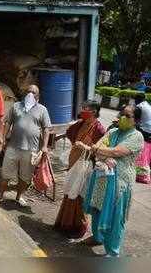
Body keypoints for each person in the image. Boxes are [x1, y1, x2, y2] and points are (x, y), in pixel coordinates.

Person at [79, 105, 143, 257]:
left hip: (119, 183)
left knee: (115, 216)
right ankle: (97, 237)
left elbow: (117, 151)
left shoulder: (136, 136)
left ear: (136, 120)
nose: (122, 117)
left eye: (128, 116)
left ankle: (113, 252)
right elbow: (98, 146)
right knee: (97, 208)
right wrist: (104, 154)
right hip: (102, 177)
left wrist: (99, 150)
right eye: (122, 113)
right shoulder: (113, 131)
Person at [54, 100, 106, 239]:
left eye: (85, 108)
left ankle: (78, 227)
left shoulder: (99, 129)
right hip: (73, 163)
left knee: (79, 196)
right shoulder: (80, 123)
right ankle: (64, 224)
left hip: (85, 166)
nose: (82, 110)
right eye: (82, 107)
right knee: (69, 193)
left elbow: (101, 151)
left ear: (94, 111)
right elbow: (70, 132)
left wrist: (85, 147)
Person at [0, 85, 51, 207]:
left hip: (31, 149)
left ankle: (19, 197)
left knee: (25, 176)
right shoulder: (16, 106)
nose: (30, 94)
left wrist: (45, 146)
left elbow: (46, 129)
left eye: (34, 92)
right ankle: (0, 195)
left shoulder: (42, 110)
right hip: (13, 147)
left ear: (38, 96)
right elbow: (8, 123)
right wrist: (3, 139)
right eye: (28, 91)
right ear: (25, 94)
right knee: (5, 173)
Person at [134, 93, 151, 183]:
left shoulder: (139, 107)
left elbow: (134, 121)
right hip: (149, 131)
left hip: (145, 131)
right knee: (147, 152)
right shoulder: (148, 105)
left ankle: (140, 173)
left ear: (136, 100)